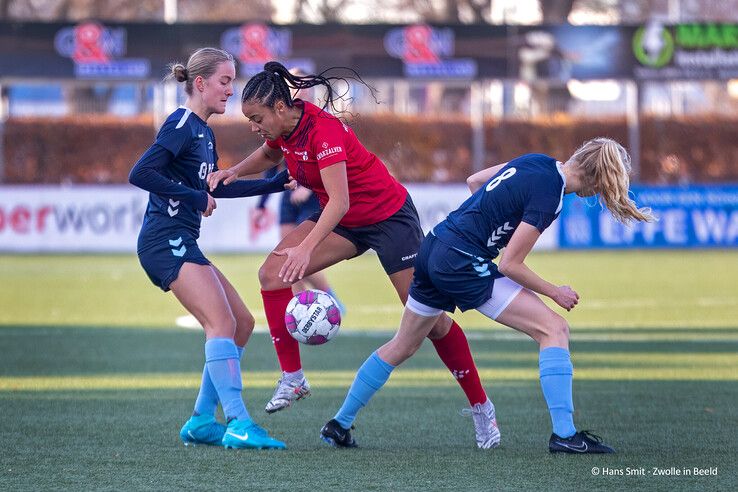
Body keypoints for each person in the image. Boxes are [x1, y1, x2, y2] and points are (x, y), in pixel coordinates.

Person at [207, 61, 500, 449]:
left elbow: (340, 201)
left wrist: (306, 247)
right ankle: (293, 378)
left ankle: (482, 408)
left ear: (281, 108)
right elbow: (269, 153)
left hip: (389, 219)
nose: (253, 125)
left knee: (431, 321)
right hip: (344, 221)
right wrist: (232, 173)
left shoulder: (323, 131)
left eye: (257, 118)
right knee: (272, 275)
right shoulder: (284, 128)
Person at [321, 138, 655, 453]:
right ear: (599, 179)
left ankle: (339, 423)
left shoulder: (537, 161)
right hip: (460, 262)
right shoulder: (551, 195)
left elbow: (474, 181)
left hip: (434, 244)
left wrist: (489, 225)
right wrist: (556, 292)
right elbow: (511, 264)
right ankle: (565, 435)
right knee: (553, 329)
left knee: (403, 345)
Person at [128, 48, 290, 450]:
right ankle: (238, 421)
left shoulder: (204, 132)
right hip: (164, 241)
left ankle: (202, 420)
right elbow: (141, 173)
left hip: (182, 240)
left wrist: (275, 182)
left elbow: (214, 187)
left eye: (232, 81)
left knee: (241, 322)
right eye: (224, 81)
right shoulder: (182, 122)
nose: (230, 90)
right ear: (199, 83)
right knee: (220, 324)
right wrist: (193, 197)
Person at [253, 165, 346, 311]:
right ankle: (301, 308)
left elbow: (325, 163)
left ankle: (332, 301)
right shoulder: (277, 142)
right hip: (289, 193)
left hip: (314, 195)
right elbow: (271, 166)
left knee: (301, 257)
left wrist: (308, 187)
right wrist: (261, 205)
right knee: (285, 258)